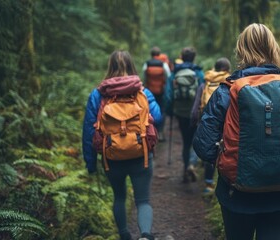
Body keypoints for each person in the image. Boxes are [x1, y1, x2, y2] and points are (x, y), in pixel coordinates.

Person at [193, 23, 280, 240]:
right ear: (274, 49)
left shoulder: (226, 91)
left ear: (241, 50)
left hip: (238, 194)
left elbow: (203, 146)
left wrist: (227, 156)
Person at [82, 50, 162, 240]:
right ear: (132, 66)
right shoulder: (142, 91)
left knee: (119, 197)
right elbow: (157, 116)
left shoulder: (98, 94)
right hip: (140, 154)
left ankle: (125, 235)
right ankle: (145, 235)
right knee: (143, 200)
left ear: (110, 66)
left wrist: (91, 162)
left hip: (111, 156)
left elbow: (88, 130)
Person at [190, 57, 231, 194]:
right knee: (223, 149)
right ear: (227, 69)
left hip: (206, 118)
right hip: (225, 121)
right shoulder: (230, 83)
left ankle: (206, 182)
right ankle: (221, 183)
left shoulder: (205, 82)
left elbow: (197, 104)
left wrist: (194, 120)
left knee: (210, 146)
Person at [165, 47, 204, 183]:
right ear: (194, 58)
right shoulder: (198, 73)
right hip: (195, 113)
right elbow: (203, 93)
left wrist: (170, 111)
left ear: (182, 57)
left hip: (180, 113)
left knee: (186, 142)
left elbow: (168, 96)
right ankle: (192, 164)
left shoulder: (175, 73)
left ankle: (185, 168)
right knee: (196, 141)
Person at [142, 46, 171, 142]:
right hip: (161, 90)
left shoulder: (147, 64)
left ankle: (151, 131)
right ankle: (160, 132)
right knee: (162, 110)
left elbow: (144, 76)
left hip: (150, 91)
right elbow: (168, 76)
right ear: (159, 55)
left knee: (149, 110)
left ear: (151, 54)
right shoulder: (163, 64)